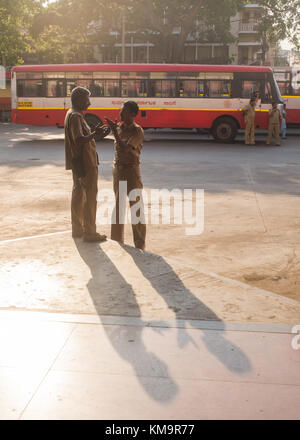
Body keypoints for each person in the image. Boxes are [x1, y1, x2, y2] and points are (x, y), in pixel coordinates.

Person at [64, 86, 109, 242]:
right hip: (85, 163)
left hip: (78, 162)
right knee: (89, 198)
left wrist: (95, 135)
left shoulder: (71, 114)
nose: (89, 103)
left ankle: (78, 229)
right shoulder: (76, 116)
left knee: (78, 195)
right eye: (87, 99)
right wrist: (94, 134)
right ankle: (90, 232)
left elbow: (82, 138)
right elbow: (79, 139)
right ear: (78, 100)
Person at [105, 101, 146, 250]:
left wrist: (114, 132)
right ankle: (116, 241)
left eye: (124, 112)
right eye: (121, 111)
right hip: (119, 170)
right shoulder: (119, 128)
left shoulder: (138, 131)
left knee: (136, 208)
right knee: (118, 207)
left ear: (133, 114)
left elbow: (127, 149)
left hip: (132, 172)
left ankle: (140, 245)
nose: (120, 114)